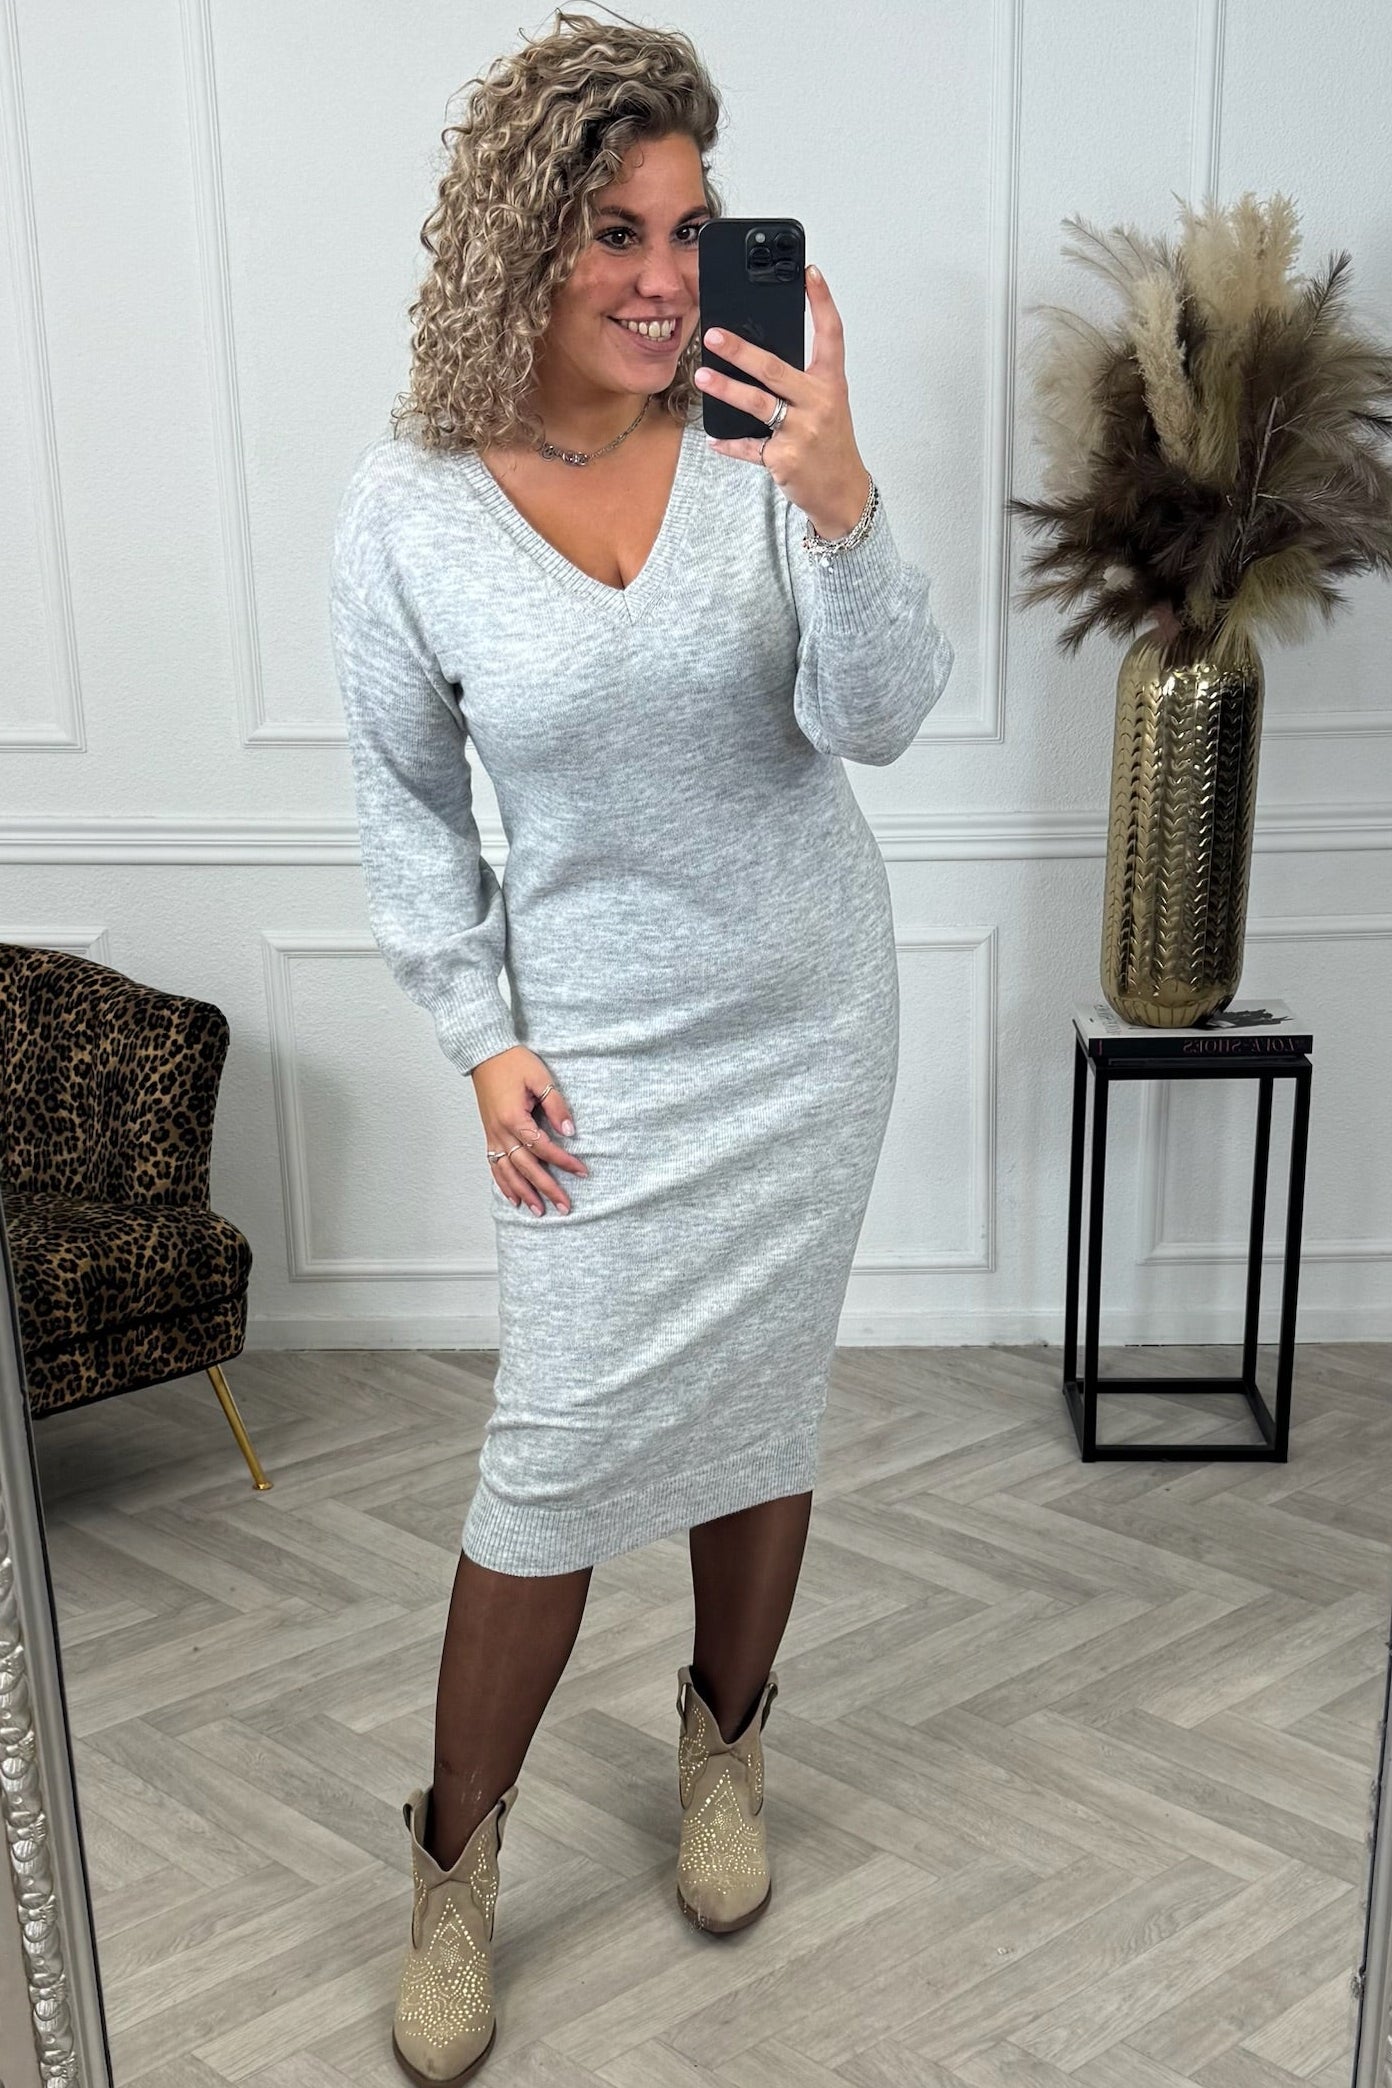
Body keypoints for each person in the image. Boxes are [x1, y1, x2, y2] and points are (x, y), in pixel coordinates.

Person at [327, 10, 954, 2080]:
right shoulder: (409, 510)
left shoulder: (767, 444)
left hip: (807, 1022)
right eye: (616, 230)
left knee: (762, 1405)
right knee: (556, 1460)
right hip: (597, 1060)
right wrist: (478, 1034)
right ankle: (454, 1860)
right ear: (524, 237)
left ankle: (726, 1746)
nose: (666, 278)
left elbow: (877, 718)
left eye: (692, 229)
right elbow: (405, 808)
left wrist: (841, 498)